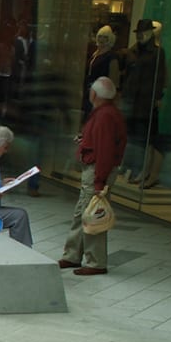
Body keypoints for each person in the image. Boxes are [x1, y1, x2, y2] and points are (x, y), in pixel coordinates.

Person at [63, 76, 125, 276]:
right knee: (83, 212)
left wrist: (100, 181)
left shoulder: (104, 116)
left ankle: (95, 261)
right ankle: (73, 254)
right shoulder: (106, 113)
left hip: (96, 170)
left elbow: (105, 150)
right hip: (96, 169)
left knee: (92, 215)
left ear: (94, 94)